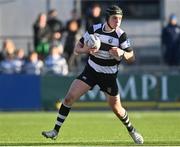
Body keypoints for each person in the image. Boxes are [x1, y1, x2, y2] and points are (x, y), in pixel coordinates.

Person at [42, 5, 144, 144]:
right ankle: (55, 131)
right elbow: (77, 49)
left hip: (109, 76)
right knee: (68, 98)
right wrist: (87, 50)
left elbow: (132, 57)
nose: (118, 21)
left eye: (120, 18)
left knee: (117, 109)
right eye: (115, 18)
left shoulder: (121, 35)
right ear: (107, 18)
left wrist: (122, 53)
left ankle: (132, 130)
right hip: (91, 71)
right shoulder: (94, 29)